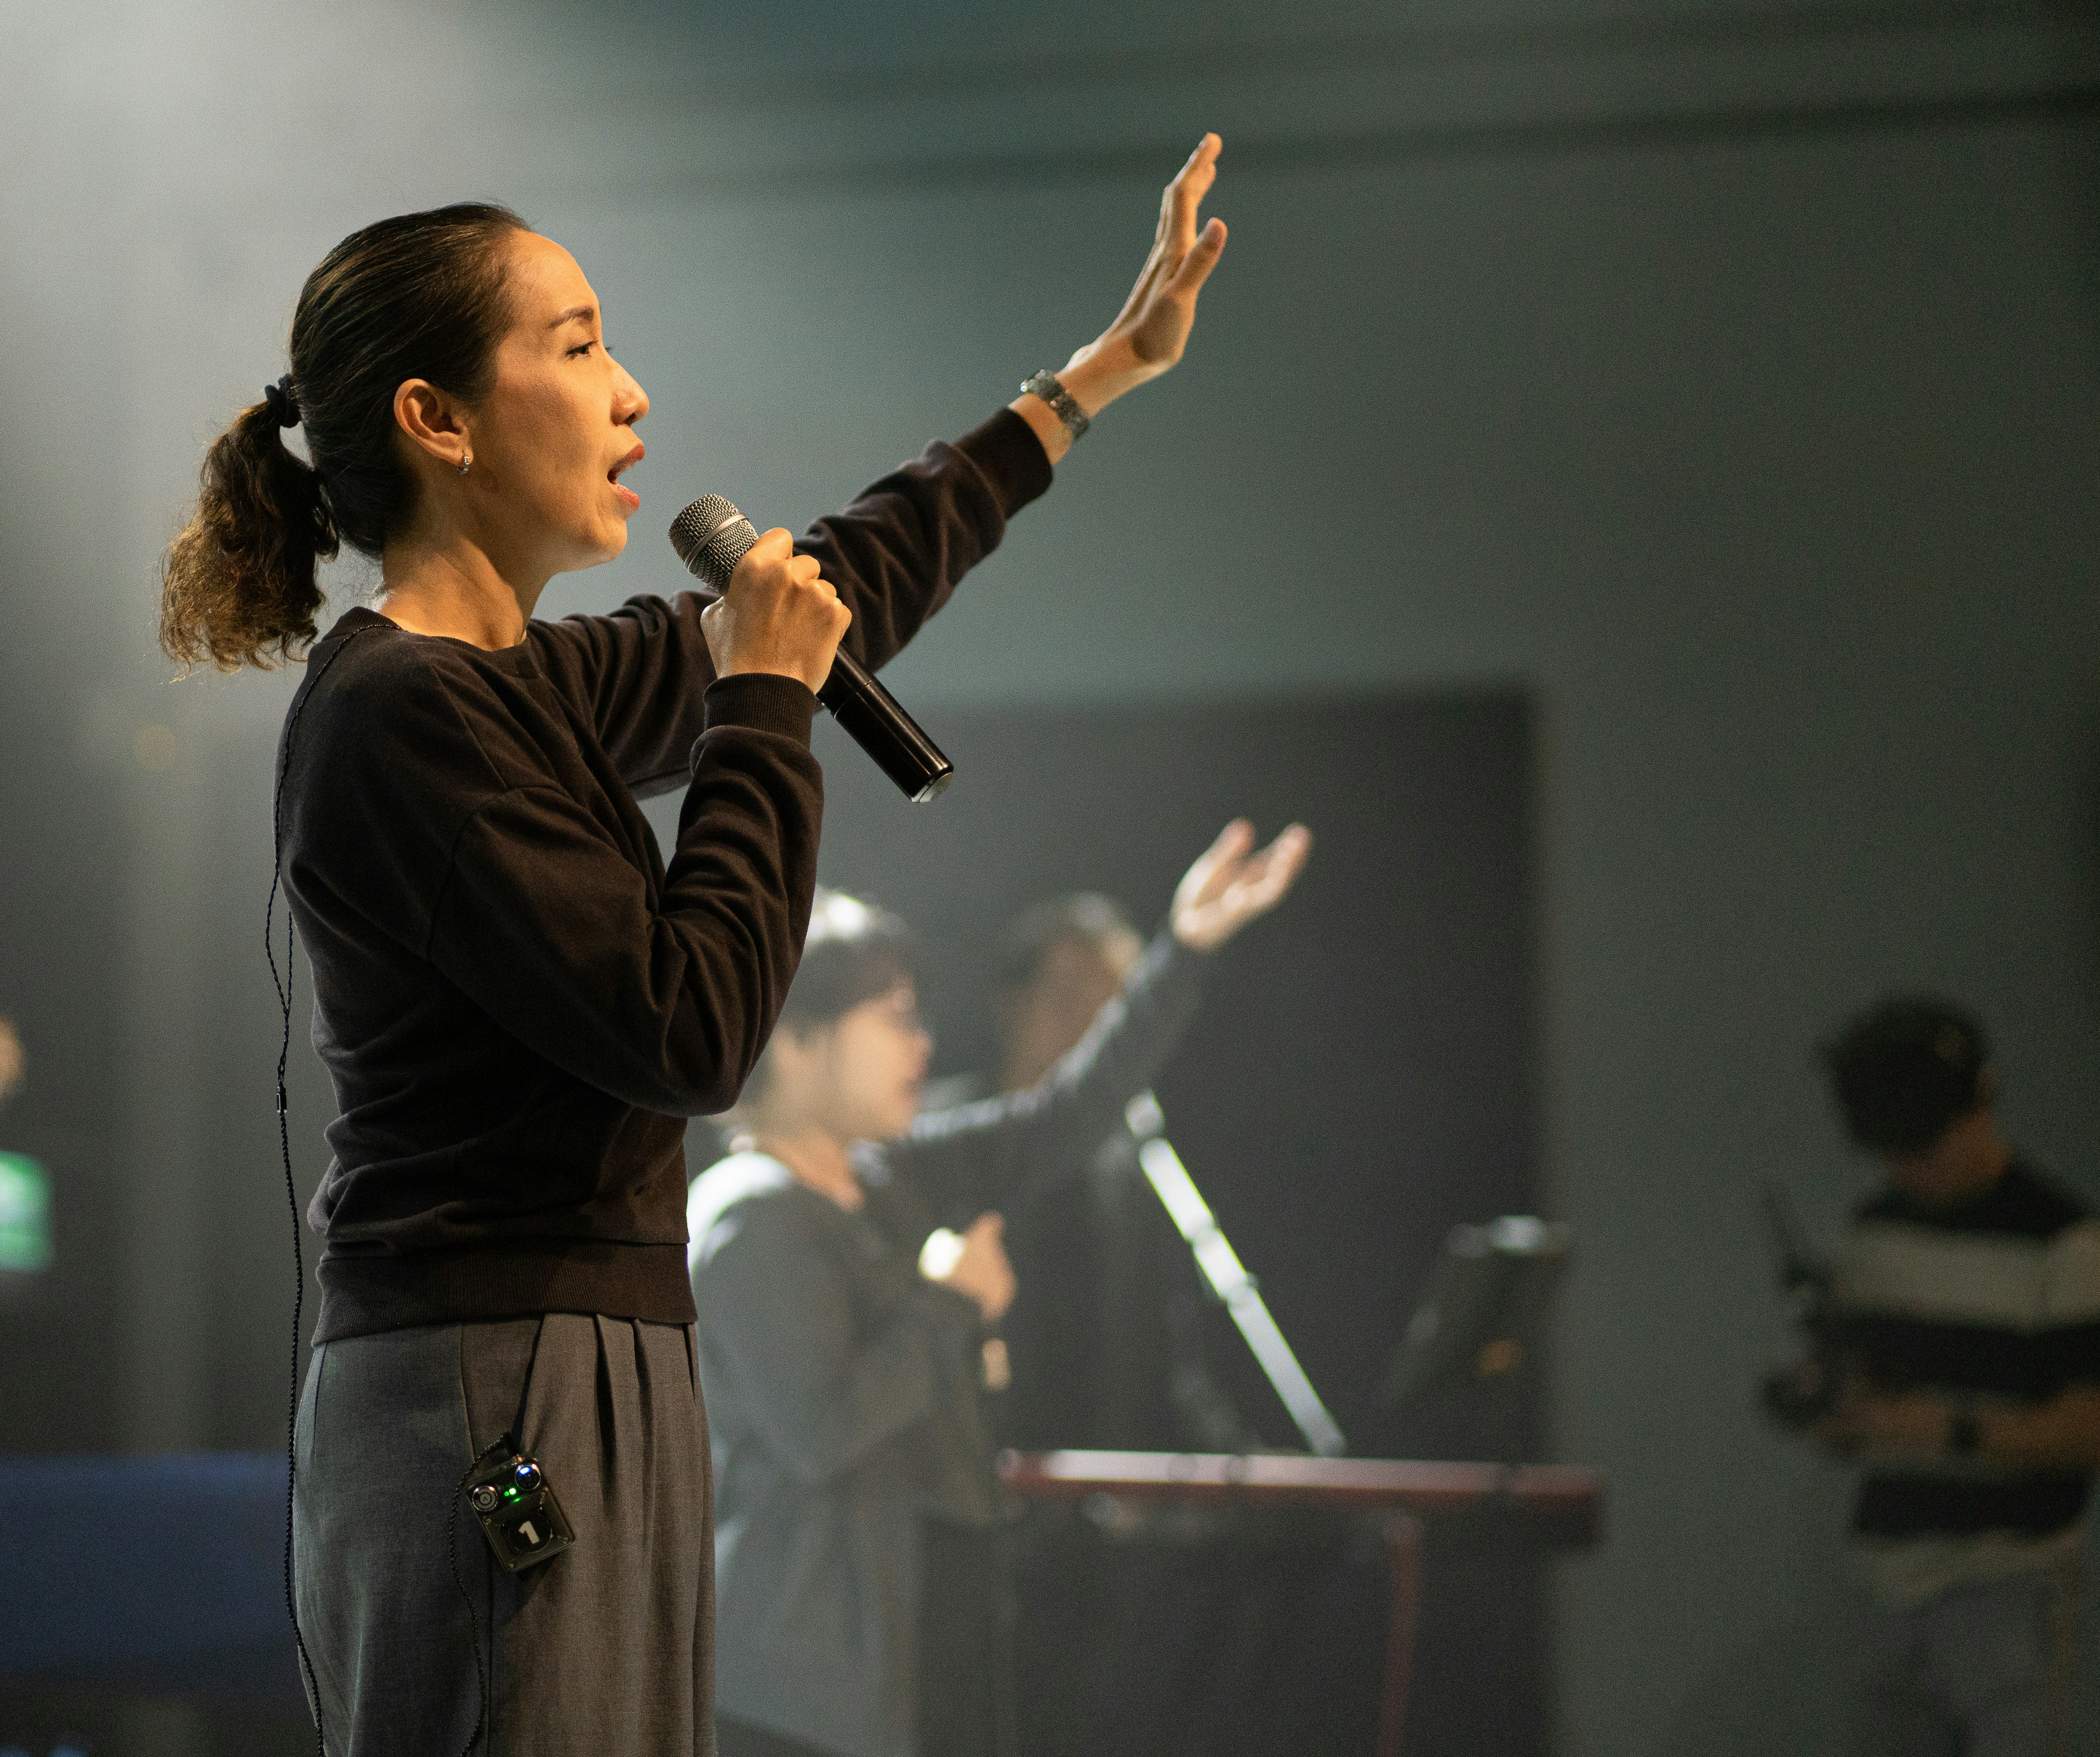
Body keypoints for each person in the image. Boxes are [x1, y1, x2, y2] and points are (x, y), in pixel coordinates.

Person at [158, 137, 1234, 1755]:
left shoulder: (530, 681)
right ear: (433, 420)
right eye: (577, 347)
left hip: (595, 1349)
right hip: (488, 1369)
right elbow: (691, 1030)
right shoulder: (399, 713)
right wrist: (759, 714)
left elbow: (837, 580)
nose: (630, 394)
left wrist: (1086, 382)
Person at [685, 821, 1309, 1757]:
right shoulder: (750, 1214)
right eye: (896, 1016)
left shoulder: (889, 1175)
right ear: (802, 1038)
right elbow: (824, 1433)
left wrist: (1183, 952)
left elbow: (1063, 1116)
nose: (924, 1043)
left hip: (915, 1657)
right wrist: (951, 1306)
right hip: (807, 1692)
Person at [1800, 996, 2100, 1757]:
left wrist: (1945, 1428)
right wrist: (1830, 1410)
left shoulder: (2064, 1242)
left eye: (1925, 1144)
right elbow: (1853, 1401)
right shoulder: (1874, 1230)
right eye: (1894, 1150)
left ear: (1978, 1103)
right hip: (1885, 1578)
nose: (1913, 1168)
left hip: (2007, 1578)